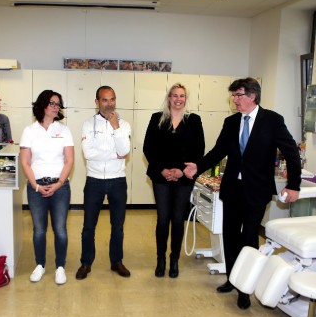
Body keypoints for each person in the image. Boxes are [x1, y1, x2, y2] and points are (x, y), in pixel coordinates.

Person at [183, 77, 301, 309]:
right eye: (233, 96)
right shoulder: (231, 122)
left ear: (252, 96)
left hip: (257, 190)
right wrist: (198, 166)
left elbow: (291, 153)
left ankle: (244, 288)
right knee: (230, 236)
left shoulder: (272, 120)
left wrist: (294, 185)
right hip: (232, 189)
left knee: (248, 238)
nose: (234, 100)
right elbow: (218, 151)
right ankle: (231, 278)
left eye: (238, 95)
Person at [143, 83, 205, 279]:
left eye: (182, 96)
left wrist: (180, 171)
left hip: (183, 176)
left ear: (186, 99)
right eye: (175, 95)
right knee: (163, 219)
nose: (178, 99)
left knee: (178, 219)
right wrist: (162, 169)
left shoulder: (193, 120)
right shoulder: (157, 118)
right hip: (161, 176)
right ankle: (160, 260)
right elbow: (148, 147)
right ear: (169, 98)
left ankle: (174, 260)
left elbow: (199, 149)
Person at [76, 86, 132, 280]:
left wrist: (115, 126)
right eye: (105, 100)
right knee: (88, 226)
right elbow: (88, 153)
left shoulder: (123, 125)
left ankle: (116, 261)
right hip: (95, 180)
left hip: (118, 180)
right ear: (97, 102)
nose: (109, 104)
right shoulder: (87, 124)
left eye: (112, 99)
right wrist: (113, 154)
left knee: (118, 226)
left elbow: (124, 151)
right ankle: (86, 263)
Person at [20, 90, 74, 285]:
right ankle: (40, 265)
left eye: (58, 104)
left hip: (60, 187)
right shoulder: (29, 131)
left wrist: (59, 183)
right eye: (52, 102)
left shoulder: (64, 130)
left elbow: (69, 160)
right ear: (42, 104)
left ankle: (60, 267)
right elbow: (25, 162)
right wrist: (35, 186)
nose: (55, 106)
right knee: (39, 230)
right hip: (36, 187)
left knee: (60, 229)